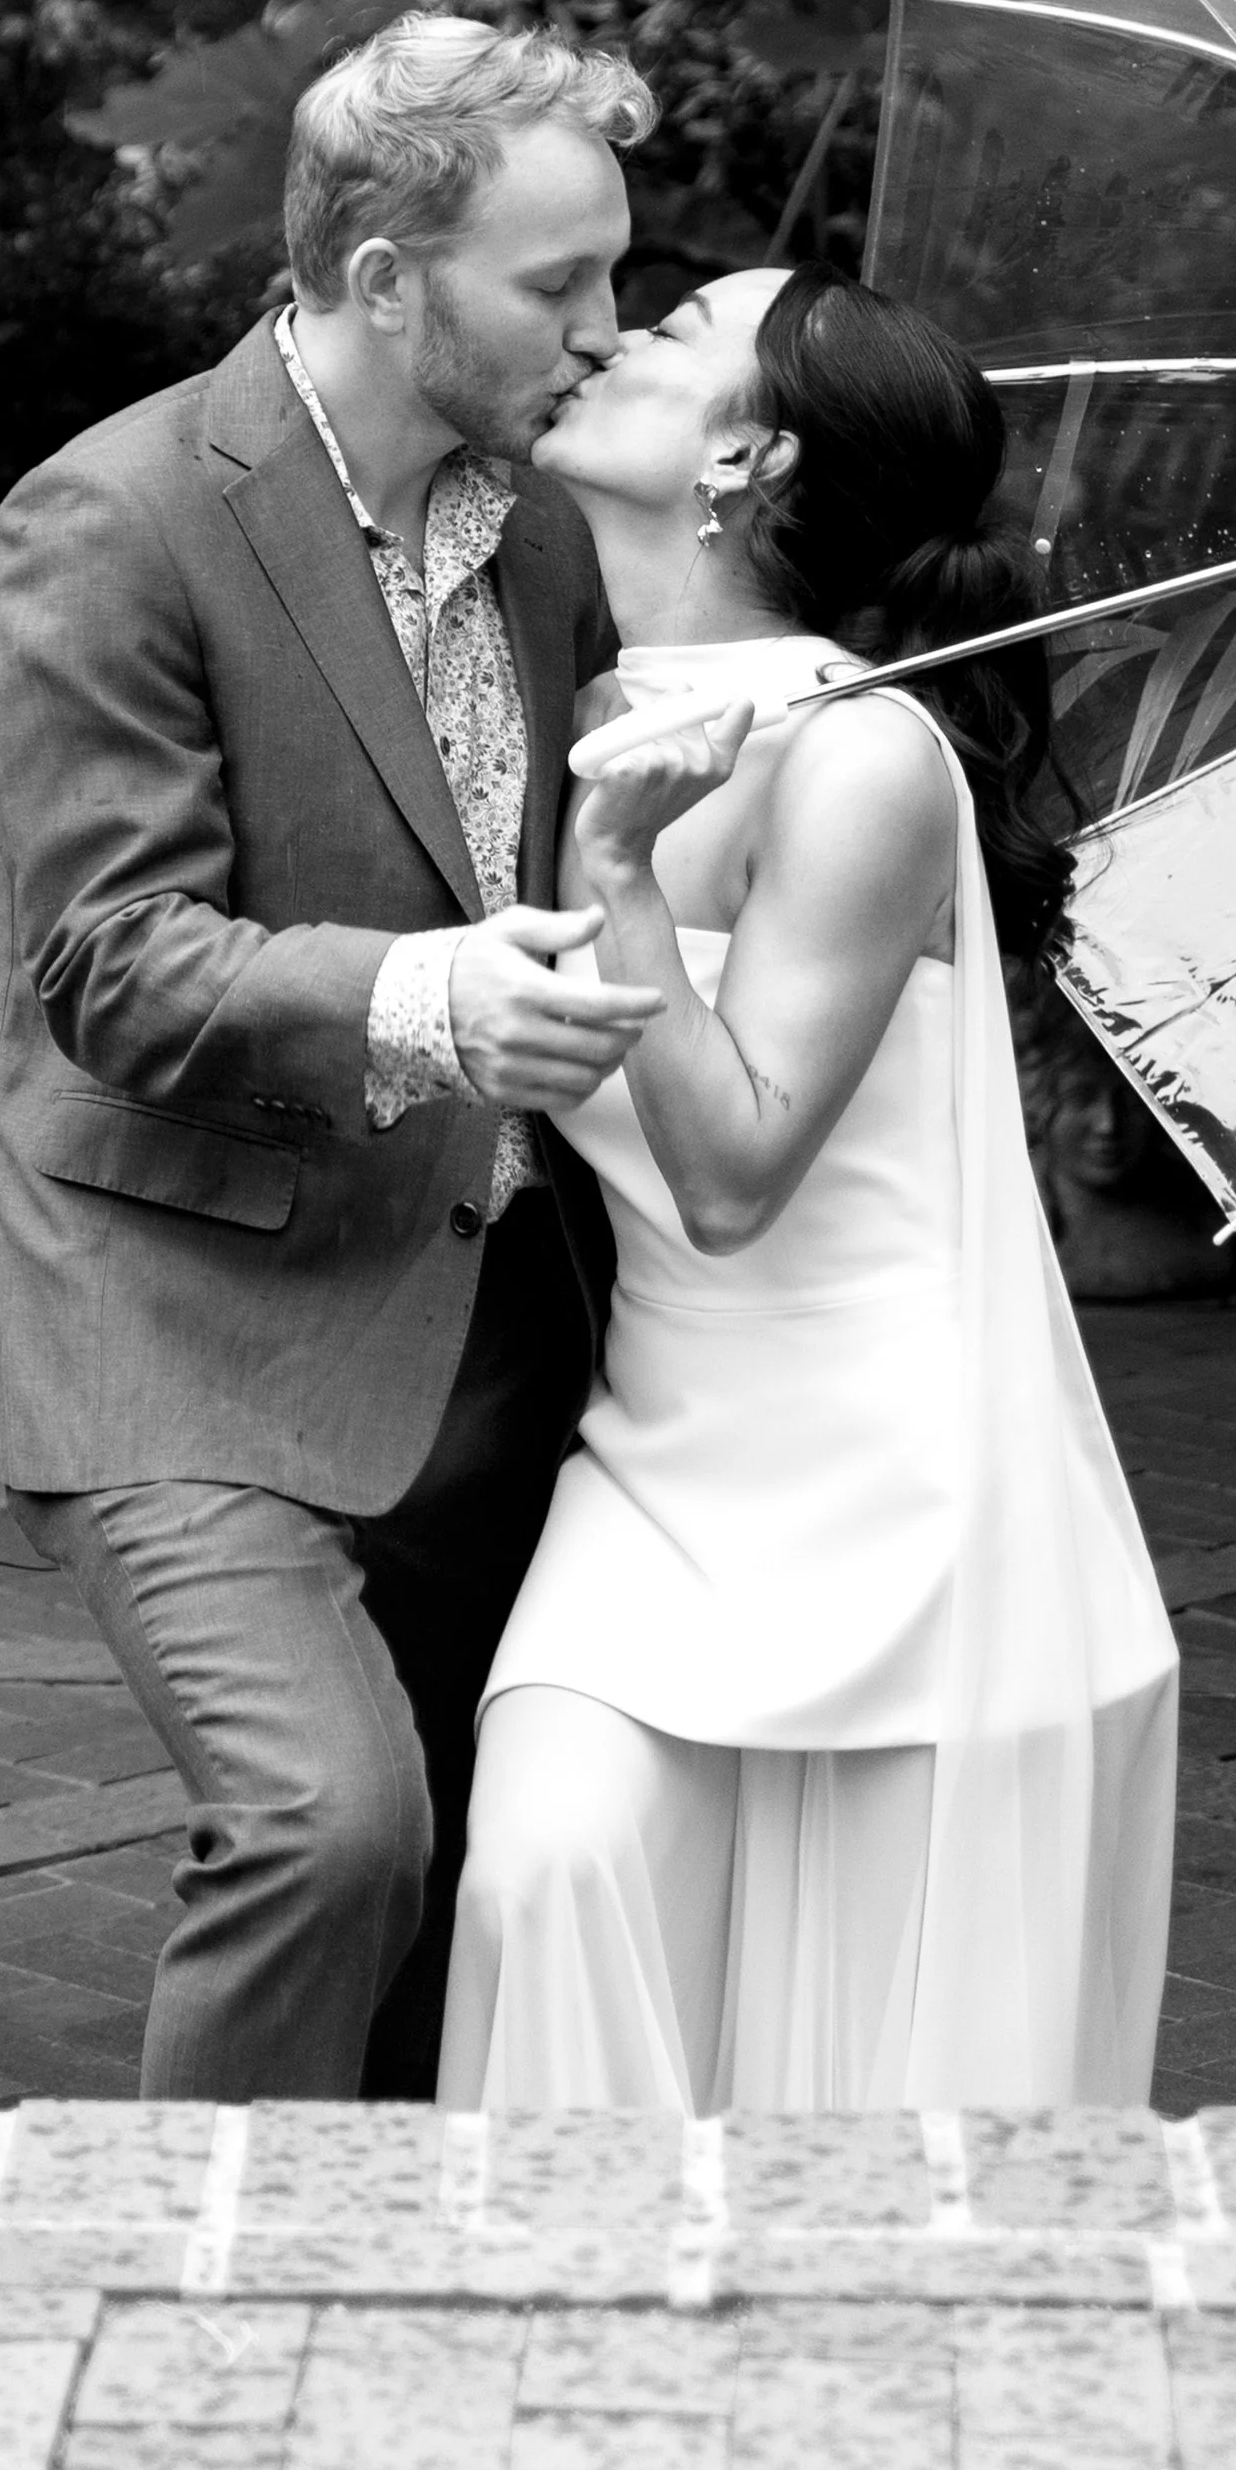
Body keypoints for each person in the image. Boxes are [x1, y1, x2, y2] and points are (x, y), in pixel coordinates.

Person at [0, 14, 672, 2101]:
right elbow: (106, 962)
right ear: (378, 282)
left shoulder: (547, 528)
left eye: (614, 275)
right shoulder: (112, 515)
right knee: (328, 1829)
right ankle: (194, 2371)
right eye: (558, 287)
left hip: (499, 1313)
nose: (609, 334)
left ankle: (395, 2336)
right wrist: (431, 997)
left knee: (471, 1886)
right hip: (183, 1306)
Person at [436, 260, 1179, 2111]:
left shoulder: (863, 756)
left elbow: (738, 1168)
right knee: (544, 1876)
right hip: (659, 1452)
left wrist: (618, 869)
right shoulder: (577, 678)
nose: (613, 335)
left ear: (745, 451)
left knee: (855, 2070)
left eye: (678, 329)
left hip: (888, 1488)